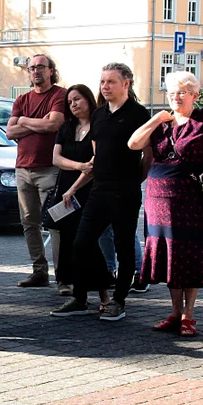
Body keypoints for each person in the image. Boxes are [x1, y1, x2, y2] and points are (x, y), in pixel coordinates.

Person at [127, 71, 203, 337]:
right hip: (158, 198)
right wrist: (155, 119)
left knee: (190, 253)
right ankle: (174, 312)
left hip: (191, 198)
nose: (176, 96)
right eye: (172, 92)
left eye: (183, 92)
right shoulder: (162, 123)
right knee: (170, 256)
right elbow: (133, 144)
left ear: (194, 96)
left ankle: (189, 314)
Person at [52, 63, 151, 321]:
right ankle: (81, 298)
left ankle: (118, 301)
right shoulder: (99, 115)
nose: (105, 87)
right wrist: (75, 187)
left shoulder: (139, 114)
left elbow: (147, 155)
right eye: (103, 82)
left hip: (125, 191)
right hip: (99, 189)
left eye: (111, 82)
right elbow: (97, 157)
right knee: (81, 242)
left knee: (123, 246)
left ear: (126, 84)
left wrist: (135, 180)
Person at [7, 54, 66, 287]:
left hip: (50, 169)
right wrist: (34, 122)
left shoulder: (60, 95)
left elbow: (53, 124)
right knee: (28, 222)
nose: (35, 72)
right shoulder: (22, 99)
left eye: (40, 67)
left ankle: (63, 277)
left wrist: (23, 121)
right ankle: (39, 271)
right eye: (31, 68)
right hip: (23, 168)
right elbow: (10, 132)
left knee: (55, 223)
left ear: (51, 70)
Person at [50, 84, 102, 301]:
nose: (73, 105)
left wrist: (78, 179)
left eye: (77, 99)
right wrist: (77, 166)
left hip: (87, 189)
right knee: (66, 234)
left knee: (85, 237)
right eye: (70, 102)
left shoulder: (98, 127)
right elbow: (56, 159)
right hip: (66, 188)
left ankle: (95, 283)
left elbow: (93, 165)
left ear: (89, 100)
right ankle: (64, 279)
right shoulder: (67, 128)